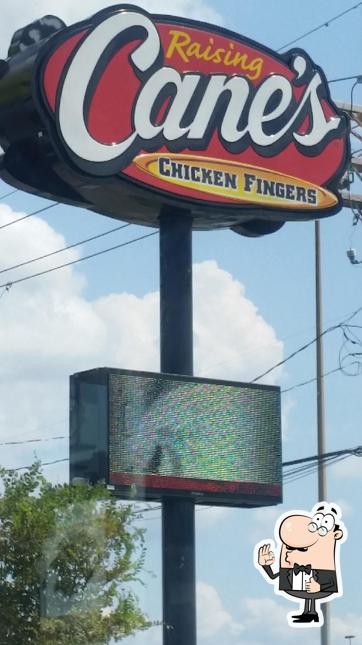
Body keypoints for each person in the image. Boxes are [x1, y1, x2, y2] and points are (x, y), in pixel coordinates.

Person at [254, 502, 346, 627]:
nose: (289, 553)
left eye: (302, 549)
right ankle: (308, 612)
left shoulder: (324, 568)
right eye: (288, 548)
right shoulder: (290, 569)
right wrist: (265, 565)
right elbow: (273, 577)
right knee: (308, 594)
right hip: (300, 589)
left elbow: (330, 583)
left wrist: (319, 587)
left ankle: (311, 612)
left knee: (311, 594)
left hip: (317, 589)